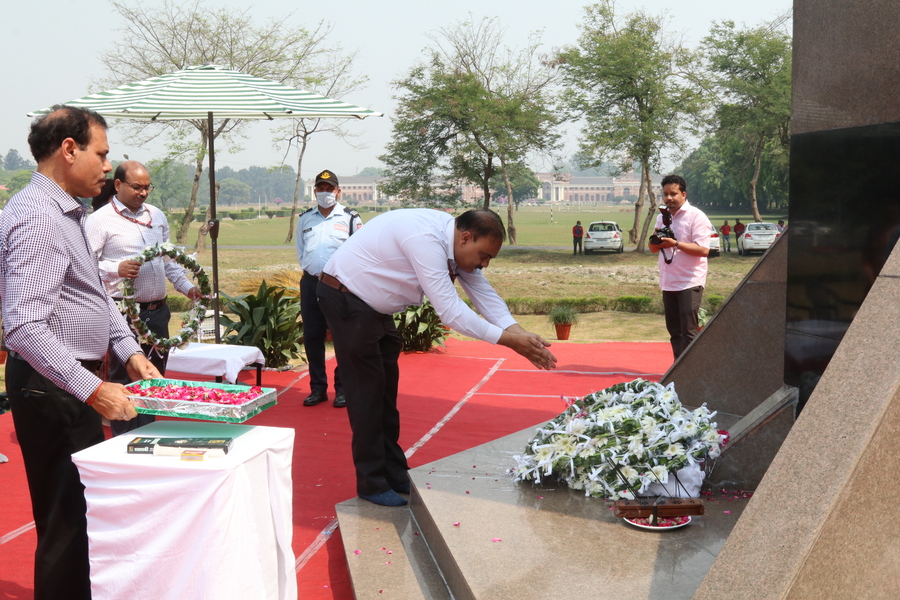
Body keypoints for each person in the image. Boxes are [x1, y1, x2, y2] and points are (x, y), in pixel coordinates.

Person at [0, 105, 160, 600]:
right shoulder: (38, 217)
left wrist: (129, 350)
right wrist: (93, 389)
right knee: (67, 523)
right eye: (102, 154)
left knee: (81, 516)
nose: (108, 167)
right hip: (54, 385)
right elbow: (24, 327)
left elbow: (93, 293)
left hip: (69, 381)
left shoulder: (66, 212)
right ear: (69, 150)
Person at [318, 208, 557, 507]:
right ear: (466, 238)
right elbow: (450, 310)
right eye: (484, 256)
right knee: (367, 395)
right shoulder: (425, 240)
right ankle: (371, 481)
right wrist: (509, 342)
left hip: (374, 307)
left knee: (385, 396)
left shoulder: (454, 242)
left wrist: (518, 332)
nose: (484, 264)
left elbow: (483, 293)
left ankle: (393, 471)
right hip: (346, 298)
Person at [86, 160, 201, 436]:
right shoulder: (99, 220)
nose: (143, 193)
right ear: (118, 185)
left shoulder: (156, 216)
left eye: (148, 187)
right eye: (137, 187)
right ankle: (125, 440)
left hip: (157, 312)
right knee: (125, 380)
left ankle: (149, 436)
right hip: (122, 315)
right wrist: (116, 268)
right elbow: (84, 267)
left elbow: (169, 262)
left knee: (154, 378)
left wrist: (189, 288)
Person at [295, 169, 361, 408]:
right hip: (311, 283)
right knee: (313, 336)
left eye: (329, 189)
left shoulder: (350, 218)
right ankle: (318, 388)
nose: (325, 193)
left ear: (338, 191)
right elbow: (301, 251)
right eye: (321, 189)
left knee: (342, 337)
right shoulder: (305, 219)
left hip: (339, 286)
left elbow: (358, 252)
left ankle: (342, 389)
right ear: (315, 191)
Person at [648, 174, 713, 359]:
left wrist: (675, 243)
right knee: (674, 332)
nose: (669, 198)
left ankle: (692, 370)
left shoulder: (696, 216)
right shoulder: (662, 218)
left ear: (684, 194)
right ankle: (678, 368)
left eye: (673, 194)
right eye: (665, 194)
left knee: (689, 331)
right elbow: (653, 249)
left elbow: (703, 250)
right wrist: (656, 241)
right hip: (668, 281)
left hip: (689, 281)